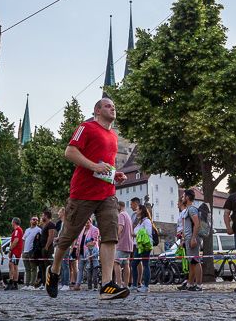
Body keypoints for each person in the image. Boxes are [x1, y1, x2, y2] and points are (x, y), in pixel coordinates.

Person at [44, 98, 129, 300]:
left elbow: (104, 165)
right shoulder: (86, 127)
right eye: (108, 105)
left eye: (114, 106)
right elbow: (70, 152)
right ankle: (54, 270)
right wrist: (93, 166)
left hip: (107, 193)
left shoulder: (114, 136)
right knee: (67, 239)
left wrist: (114, 174)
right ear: (97, 110)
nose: (112, 108)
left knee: (110, 236)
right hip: (83, 193)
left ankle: (107, 285)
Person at [177, 189, 204, 291]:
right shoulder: (188, 210)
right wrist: (184, 239)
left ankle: (199, 285)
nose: (182, 198)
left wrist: (193, 238)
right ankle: (191, 284)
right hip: (188, 238)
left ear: (187, 198)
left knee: (196, 261)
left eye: (183, 196)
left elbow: (197, 224)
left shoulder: (192, 209)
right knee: (191, 262)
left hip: (193, 238)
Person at [131, 200, 154, 292]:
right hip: (138, 246)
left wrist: (136, 234)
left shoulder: (147, 221)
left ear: (141, 210)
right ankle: (134, 285)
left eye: (137, 209)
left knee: (145, 264)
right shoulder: (140, 222)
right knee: (134, 264)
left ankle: (146, 286)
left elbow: (147, 232)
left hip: (145, 246)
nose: (136, 211)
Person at [114, 200, 134, 288]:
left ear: (119, 206)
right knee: (126, 264)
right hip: (129, 244)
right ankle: (126, 285)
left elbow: (120, 228)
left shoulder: (121, 215)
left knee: (116, 263)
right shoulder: (128, 215)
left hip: (122, 243)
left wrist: (116, 238)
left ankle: (119, 283)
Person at [22, 217, 42, 289]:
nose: (35, 221)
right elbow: (23, 240)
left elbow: (39, 240)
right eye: (34, 219)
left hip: (32, 252)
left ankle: (32, 284)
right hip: (25, 251)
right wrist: (23, 251)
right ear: (30, 221)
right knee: (27, 269)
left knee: (33, 268)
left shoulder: (39, 230)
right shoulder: (27, 230)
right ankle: (27, 284)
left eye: (37, 220)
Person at [7, 218, 24, 290]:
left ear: (14, 222)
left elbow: (16, 240)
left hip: (16, 251)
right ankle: (15, 282)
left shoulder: (17, 230)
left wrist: (10, 248)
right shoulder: (17, 230)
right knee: (15, 266)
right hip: (16, 251)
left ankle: (11, 282)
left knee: (11, 265)